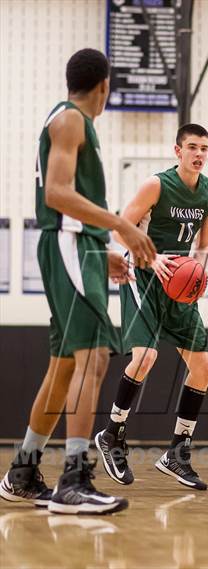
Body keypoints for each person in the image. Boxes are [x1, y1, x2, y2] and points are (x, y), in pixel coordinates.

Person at [0, 48, 156, 514]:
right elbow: (56, 193)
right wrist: (122, 227)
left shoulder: (69, 120)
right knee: (94, 358)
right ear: (104, 86)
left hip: (75, 246)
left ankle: (23, 471)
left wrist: (97, 248)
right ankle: (74, 480)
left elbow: (66, 206)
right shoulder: (70, 120)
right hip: (68, 246)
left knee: (64, 367)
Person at [95, 123, 208, 490]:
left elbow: (203, 242)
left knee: (203, 368)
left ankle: (177, 453)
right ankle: (113, 433)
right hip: (144, 276)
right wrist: (151, 260)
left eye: (204, 148)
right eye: (193, 147)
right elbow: (120, 230)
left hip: (179, 284)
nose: (199, 154)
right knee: (146, 356)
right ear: (177, 151)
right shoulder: (156, 185)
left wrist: (199, 271)